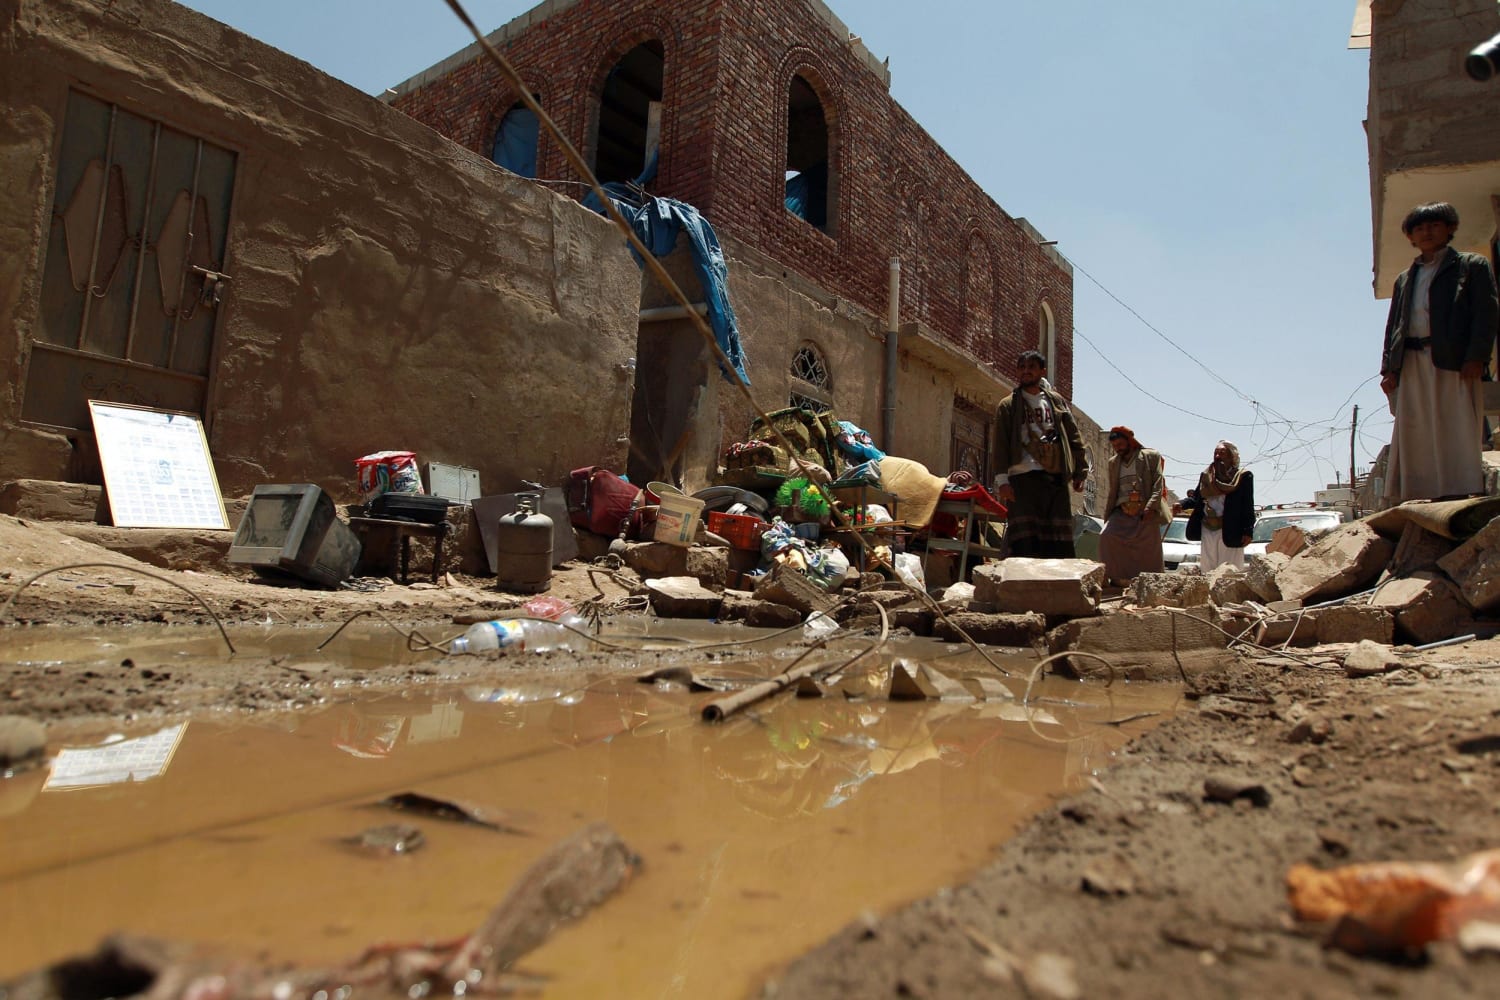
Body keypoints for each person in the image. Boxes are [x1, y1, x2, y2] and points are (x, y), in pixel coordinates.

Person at [1379, 201, 1499, 503]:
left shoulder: (1471, 266)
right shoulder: (1406, 278)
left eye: (1434, 225)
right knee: (1417, 427)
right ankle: (1422, 493)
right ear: (1411, 237)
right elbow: (1395, 324)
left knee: (1455, 422)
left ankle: (1459, 489)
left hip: (1454, 361)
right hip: (1412, 362)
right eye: (1419, 228)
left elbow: (1485, 315)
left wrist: (1477, 357)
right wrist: (1388, 369)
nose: (1427, 232)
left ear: (1449, 229)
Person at [992, 350, 1089, 558]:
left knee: (1058, 537)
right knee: (1025, 539)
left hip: (1054, 477)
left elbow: (1074, 437)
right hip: (1022, 478)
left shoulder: (1055, 402)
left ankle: (1057, 585)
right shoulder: (1008, 405)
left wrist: (1080, 471)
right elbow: (1000, 445)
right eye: (1022, 367)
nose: (1026, 372)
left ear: (1042, 371)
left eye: (1031, 367)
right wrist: (1003, 481)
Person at [1097, 426, 1166, 585]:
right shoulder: (1113, 463)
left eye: (1120, 444)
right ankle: (1113, 578)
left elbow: (1158, 484)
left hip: (1145, 509)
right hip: (1122, 509)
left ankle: (1151, 582)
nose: (1118, 449)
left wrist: (1150, 507)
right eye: (1114, 446)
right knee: (1107, 536)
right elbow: (1114, 489)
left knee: (1148, 547)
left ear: (1129, 441)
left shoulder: (1150, 456)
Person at [1178, 440, 1255, 571]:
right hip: (1208, 529)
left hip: (1230, 529)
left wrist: (1248, 530)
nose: (1217, 457)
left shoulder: (1242, 476)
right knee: (1208, 568)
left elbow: (1247, 504)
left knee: (1229, 569)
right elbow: (1197, 499)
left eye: (1222, 453)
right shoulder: (1207, 477)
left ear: (1232, 457)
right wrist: (1180, 504)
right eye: (1216, 453)